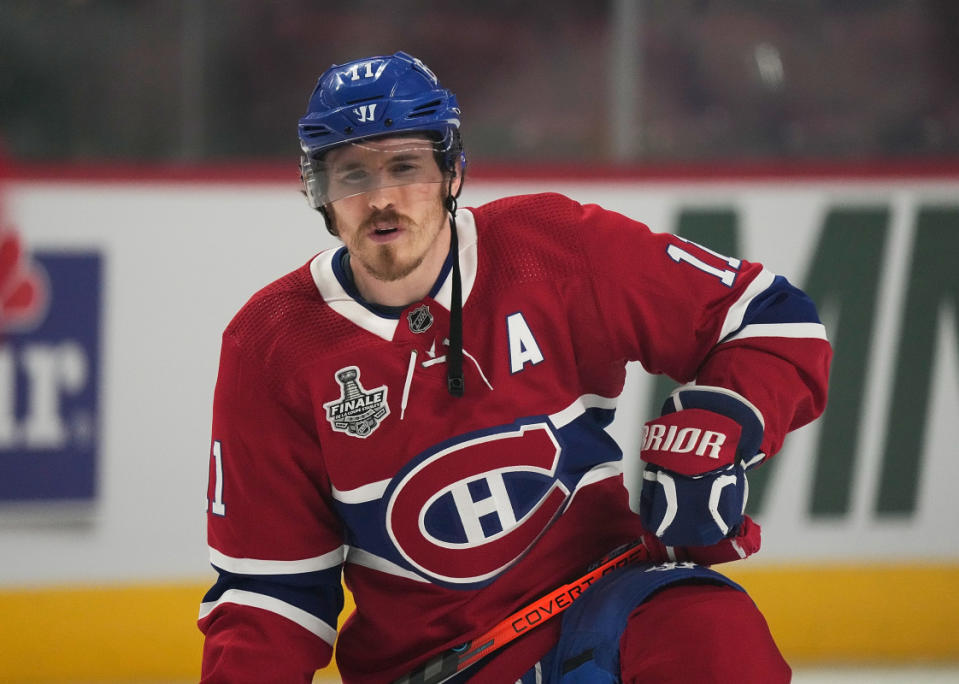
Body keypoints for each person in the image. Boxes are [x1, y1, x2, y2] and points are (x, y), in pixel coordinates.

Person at [198, 51, 831, 683]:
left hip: (605, 604)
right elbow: (269, 598)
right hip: (441, 668)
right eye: (352, 177)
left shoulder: (549, 248)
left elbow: (773, 317)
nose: (382, 199)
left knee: (714, 636)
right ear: (320, 195)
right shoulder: (270, 347)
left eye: (405, 166)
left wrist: (724, 419)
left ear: (452, 173)